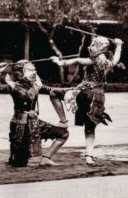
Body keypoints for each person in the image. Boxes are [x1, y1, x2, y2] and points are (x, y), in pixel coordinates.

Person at [51, 36, 123, 165]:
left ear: (101, 47)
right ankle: (89, 155)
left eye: (93, 45)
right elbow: (113, 61)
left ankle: (63, 121)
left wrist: (62, 62)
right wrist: (118, 46)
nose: (90, 47)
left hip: (88, 95)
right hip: (94, 96)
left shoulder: (98, 59)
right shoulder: (102, 59)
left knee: (54, 93)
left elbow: (80, 61)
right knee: (90, 128)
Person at [0, 60, 69, 167]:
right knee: (19, 163)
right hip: (20, 125)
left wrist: (71, 90)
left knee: (63, 133)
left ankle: (46, 158)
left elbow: (53, 90)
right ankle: (14, 155)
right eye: (30, 70)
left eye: (35, 70)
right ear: (21, 73)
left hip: (35, 124)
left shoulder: (36, 86)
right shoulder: (14, 86)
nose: (33, 72)